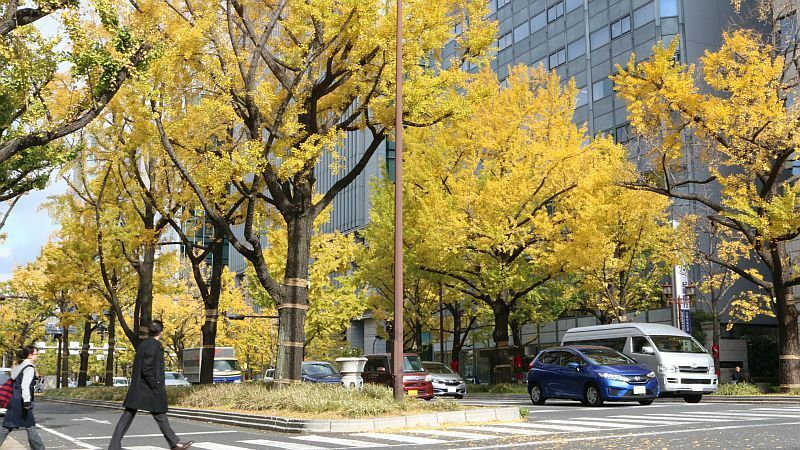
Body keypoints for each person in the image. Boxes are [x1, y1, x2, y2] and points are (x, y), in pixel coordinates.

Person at [108, 321, 193, 450]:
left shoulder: (143, 345)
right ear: (161, 332)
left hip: (138, 388)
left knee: (130, 416)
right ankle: (175, 443)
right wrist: (156, 385)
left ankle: (114, 446)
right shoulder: (155, 345)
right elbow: (146, 369)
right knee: (159, 414)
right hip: (148, 388)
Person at [0, 346, 45, 450]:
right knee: (30, 426)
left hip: (14, 401)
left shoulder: (19, 367)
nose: (36, 356)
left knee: (7, 426)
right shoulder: (28, 368)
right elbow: (25, 385)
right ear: (30, 355)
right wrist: (26, 401)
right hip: (22, 403)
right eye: (36, 354)